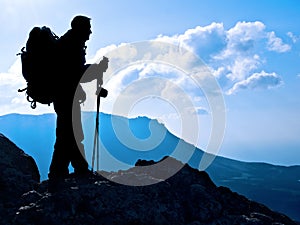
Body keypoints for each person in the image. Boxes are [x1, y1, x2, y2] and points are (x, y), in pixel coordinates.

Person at [48, 15, 108, 184]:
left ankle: (64, 171)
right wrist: (95, 70)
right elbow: (75, 75)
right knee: (69, 134)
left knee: (68, 134)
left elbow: (74, 73)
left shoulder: (70, 43)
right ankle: (64, 172)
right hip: (67, 97)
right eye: (88, 28)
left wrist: (93, 70)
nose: (90, 32)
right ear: (80, 28)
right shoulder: (71, 45)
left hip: (65, 96)